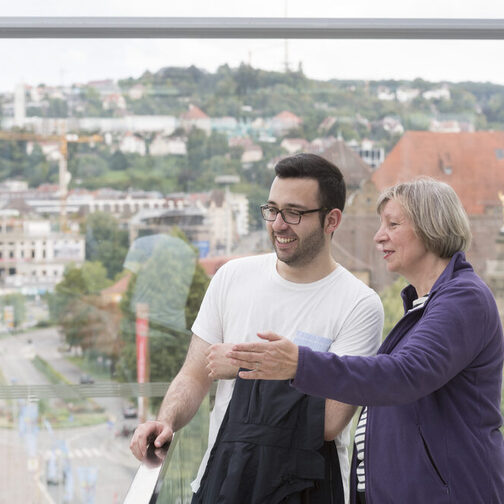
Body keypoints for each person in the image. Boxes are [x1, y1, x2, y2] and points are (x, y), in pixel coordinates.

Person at [228, 177, 504, 504]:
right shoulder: (427, 306)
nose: (379, 236)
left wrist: (299, 363)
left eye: (393, 224)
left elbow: (401, 375)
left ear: (432, 227)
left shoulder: (463, 299)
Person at [130, 153, 384, 503]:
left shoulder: (359, 304)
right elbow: (194, 375)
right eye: (272, 210)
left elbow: (329, 420)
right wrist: (167, 421)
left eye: (294, 213)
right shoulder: (232, 277)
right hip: (223, 482)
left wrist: (243, 364)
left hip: (307, 490)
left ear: (332, 220)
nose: (279, 224)